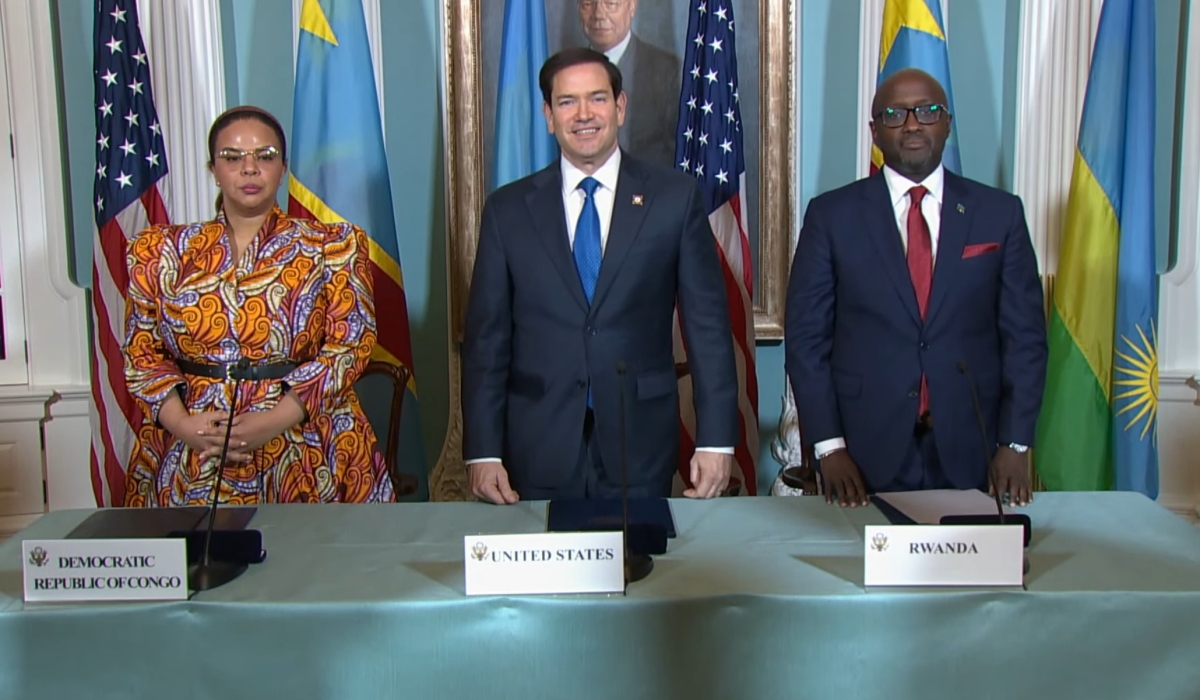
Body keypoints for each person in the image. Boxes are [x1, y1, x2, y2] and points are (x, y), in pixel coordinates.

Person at [462, 48, 737, 504]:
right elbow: (486, 343)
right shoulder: (507, 210)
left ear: (620, 107)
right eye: (567, 102)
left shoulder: (673, 199)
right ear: (549, 116)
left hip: (640, 444)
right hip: (536, 445)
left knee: (640, 553)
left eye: (597, 98)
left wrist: (716, 441)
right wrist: (483, 451)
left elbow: (707, 327)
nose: (584, 114)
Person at [785, 68, 1047, 507]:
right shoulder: (831, 216)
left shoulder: (999, 214)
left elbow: (1026, 340)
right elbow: (807, 341)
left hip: (976, 450)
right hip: (862, 455)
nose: (911, 124)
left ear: (947, 123)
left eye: (927, 111)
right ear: (875, 131)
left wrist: (1015, 444)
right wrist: (829, 448)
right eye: (895, 114)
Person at [122, 105, 394, 505]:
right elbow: (141, 353)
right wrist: (183, 425)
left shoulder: (333, 245)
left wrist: (274, 420)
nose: (249, 169)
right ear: (213, 169)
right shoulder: (159, 251)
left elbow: (350, 345)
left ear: (283, 168)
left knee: (318, 547)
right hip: (194, 445)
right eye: (232, 157)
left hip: (308, 442)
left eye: (264, 156)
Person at [577, 0, 681, 169]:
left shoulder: (667, 71)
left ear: (632, 6)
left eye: (611, 4)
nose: (598, 15)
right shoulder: (565, 73)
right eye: (588, 4)